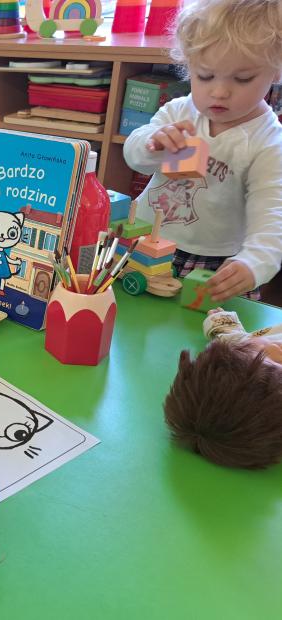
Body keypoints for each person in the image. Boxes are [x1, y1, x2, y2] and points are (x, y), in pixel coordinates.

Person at [123, 0, 282, 301]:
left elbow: (274, 217)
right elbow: (134, 157)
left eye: (242, 79)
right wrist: (153, 143)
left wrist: (254, 263)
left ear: (276, 70)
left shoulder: (268, 142)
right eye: (205, 76)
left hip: (215, 263)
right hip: (147, 239)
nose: (219, 92)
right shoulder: (178, 111)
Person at [164, 307, 282, 469]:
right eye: (276, 362)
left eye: (253, 349)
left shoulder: (233, 356)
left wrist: (222, 321)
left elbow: (232, 343)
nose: (273, 347)